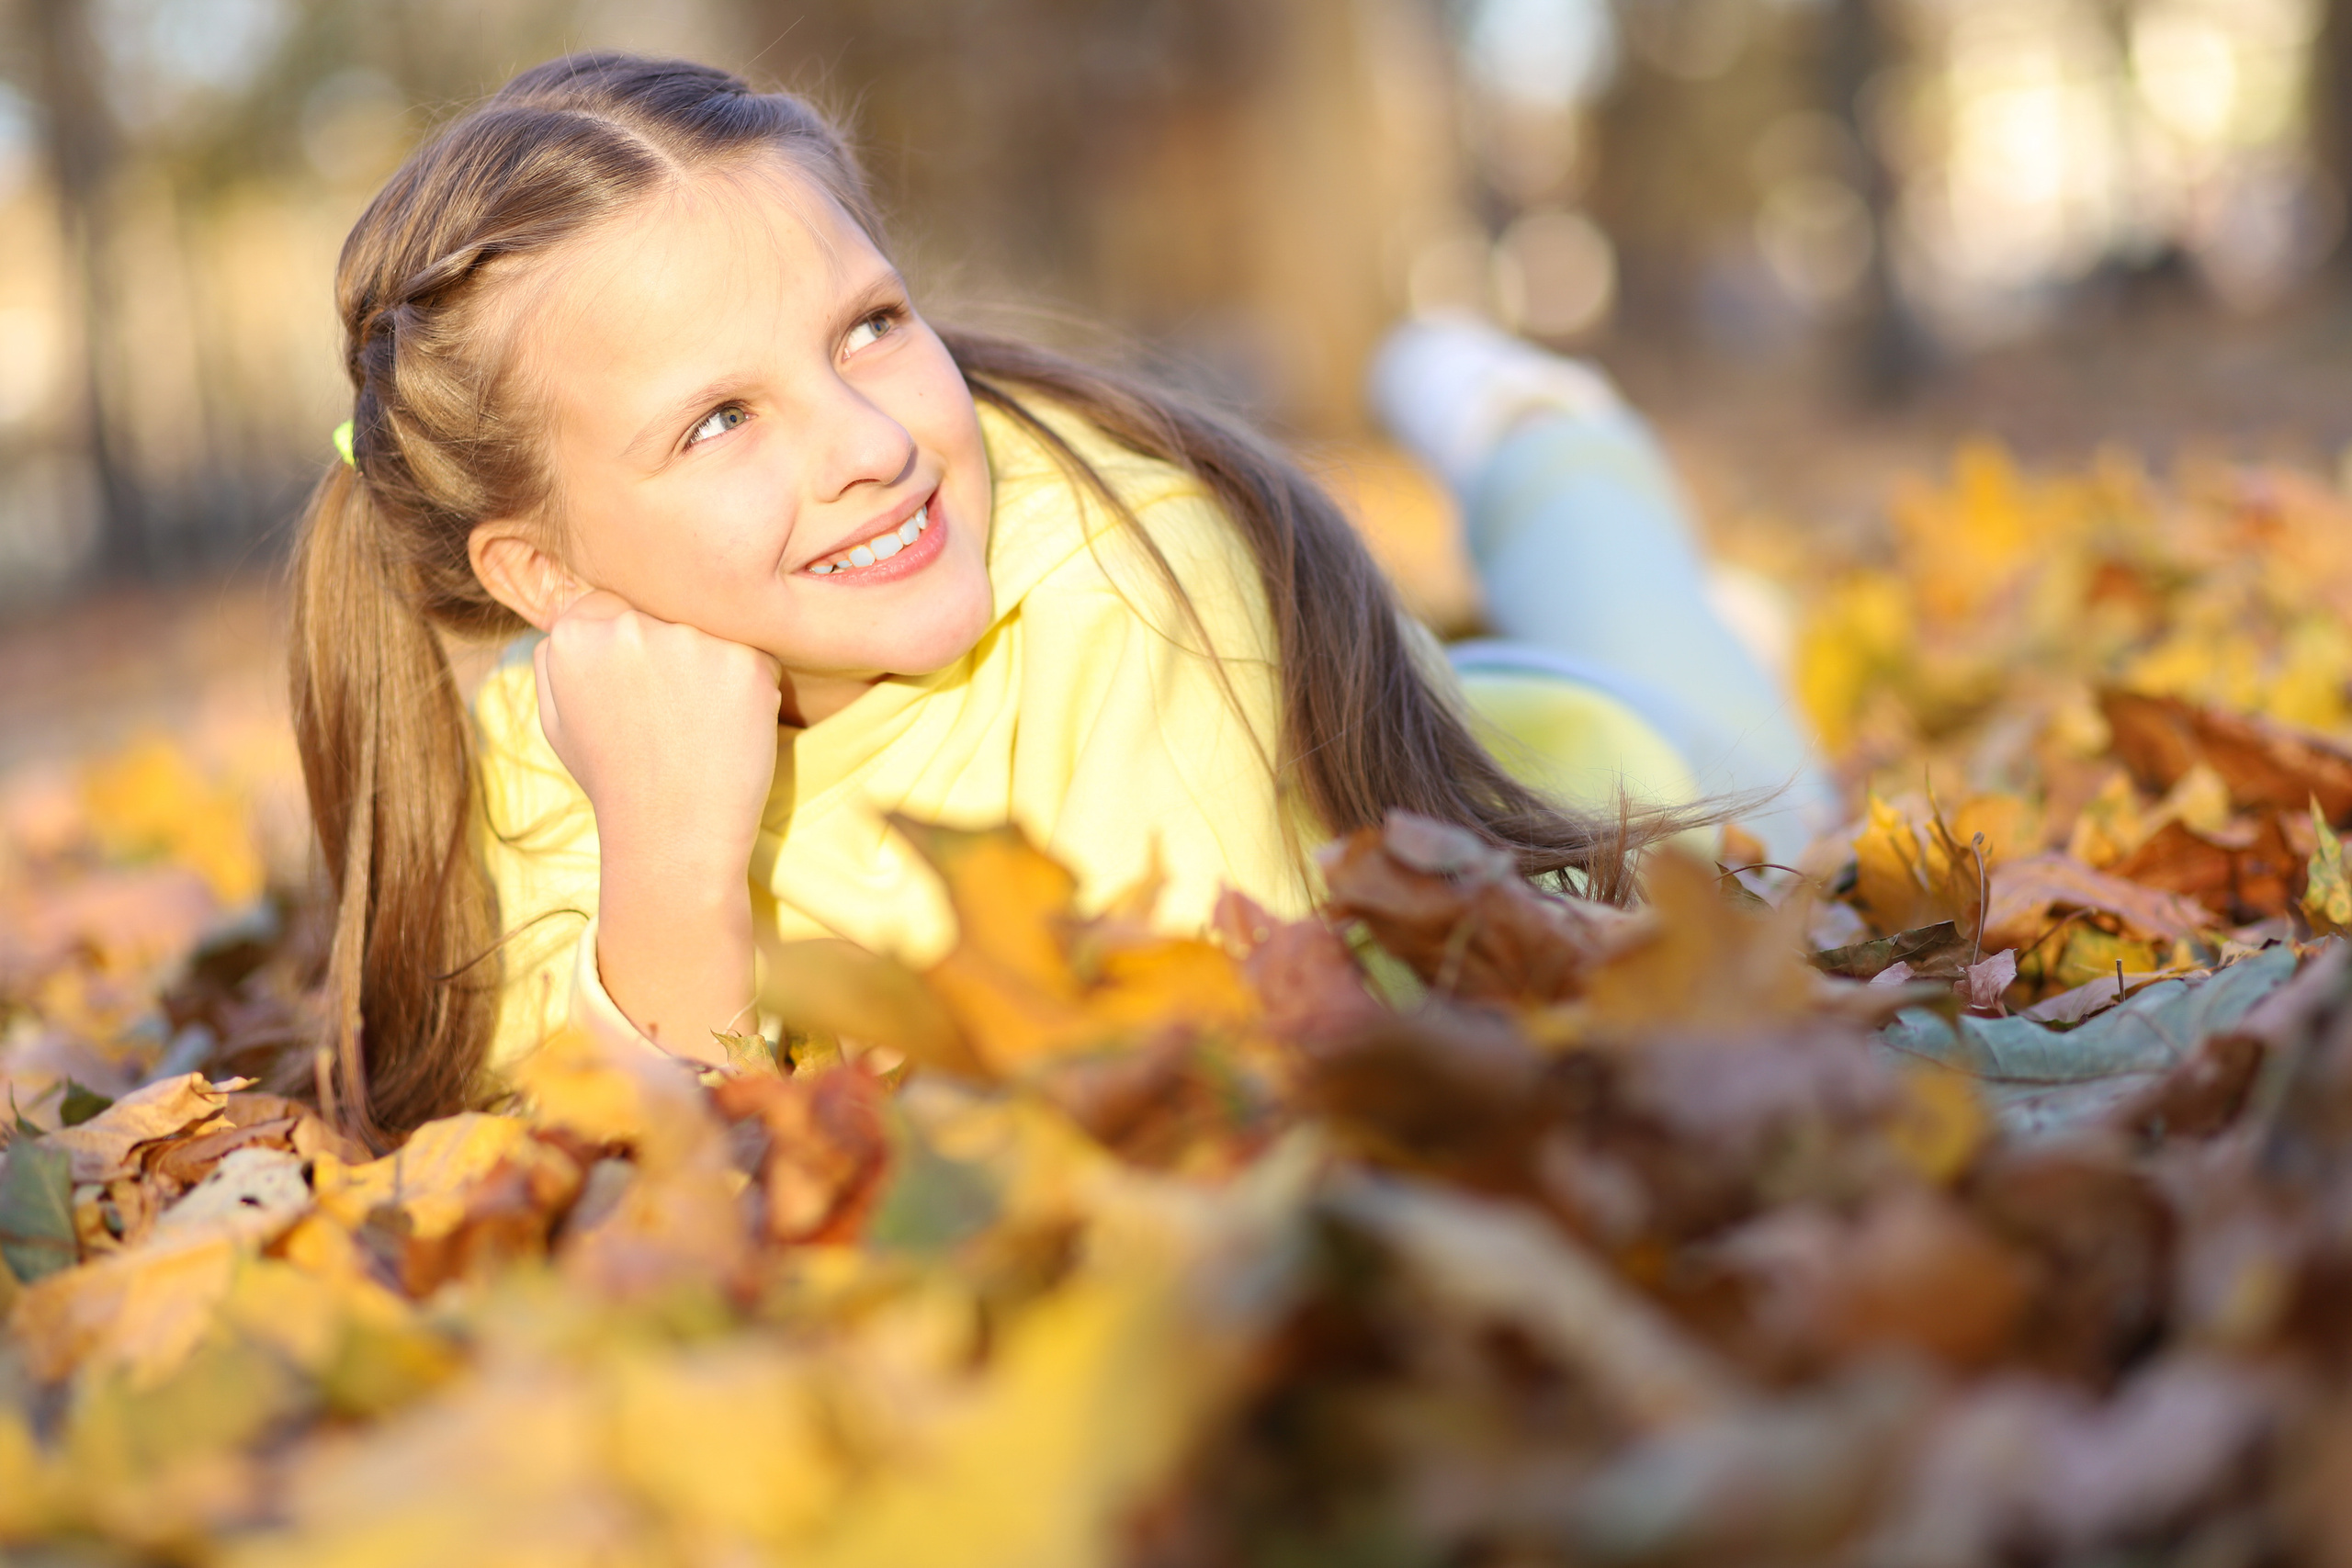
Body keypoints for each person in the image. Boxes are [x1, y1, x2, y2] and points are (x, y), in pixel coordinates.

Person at [289, 53, 1826, 1141]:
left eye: (872, 327)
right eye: (720, 421)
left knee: (1649, 638)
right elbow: (603, 1199)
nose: (875, 445)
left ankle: (1537, 441)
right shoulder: (545, 760)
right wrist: (671, 871)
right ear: (544, 575)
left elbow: (1215, 1095)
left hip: (1629, 789)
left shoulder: (1134, 586)